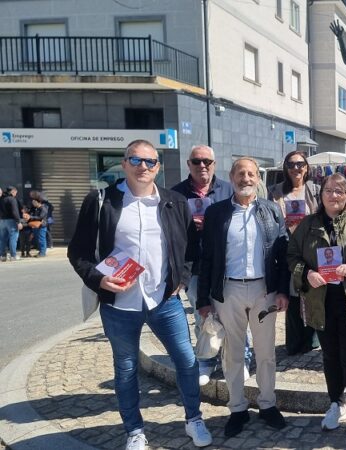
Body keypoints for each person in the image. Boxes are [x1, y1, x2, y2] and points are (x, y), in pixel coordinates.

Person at [67, 140, 212, 449]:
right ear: (124, 163)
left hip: (164, 300)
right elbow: (78, 252)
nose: (143, 166)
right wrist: (98, 280)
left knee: (187, 361)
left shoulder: (173, 201)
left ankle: (194, 419)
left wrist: (182, 279)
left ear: (158, 166)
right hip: (120, 304)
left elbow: (190, 249)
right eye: (136, 159)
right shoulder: (102, 200)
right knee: (126, 368)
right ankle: (134, 431)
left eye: (150, 161)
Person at [196, 157, 290, 437]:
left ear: (258, 178)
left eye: (251, 174)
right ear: (231, 176)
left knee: (265, 353)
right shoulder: (216, 213)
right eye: (240, 173)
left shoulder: (272, 211)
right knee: (233, 353)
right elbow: (207, 257)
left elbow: (283, 255)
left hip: (265, 291)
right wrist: (203, 299)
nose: (246, 178)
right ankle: (237, 408)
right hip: (229, 292)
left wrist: (283, 291)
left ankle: (267, 404)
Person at [286, 173, 346, 437]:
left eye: (339, 191)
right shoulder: (308, 224)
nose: (333, 196)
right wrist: (306, 273)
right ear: (321, 195)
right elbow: (292, 256)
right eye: (328, 191)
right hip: (321, 302)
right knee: (330, 357)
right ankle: (335, 404)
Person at [171, 145, 235, 386]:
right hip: (194, 267)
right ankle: (207, 361)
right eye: (196, 161)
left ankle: (238, 359)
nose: (202, 166)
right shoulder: (176, 194)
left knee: (235, 315)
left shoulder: (228, 190)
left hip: (226, 265)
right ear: (189, 164)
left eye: (207, 161)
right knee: (203, 315)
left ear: (214, 164)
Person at [268, 151, 321, 355]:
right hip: (286, 248)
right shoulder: (275, 192)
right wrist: (283, 223)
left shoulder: (315, 190)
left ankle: (312, 339)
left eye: (300, 164)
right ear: (286, 168)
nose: (296, 168)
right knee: (291, 295)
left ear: (306, 167)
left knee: (311, 293)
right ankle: (295, 341)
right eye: (291, 164)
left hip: (311, 249)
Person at [1, 186, 22, 261]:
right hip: (11, 221)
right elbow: (14, 211)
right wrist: (18, 222)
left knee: (2, 239)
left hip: (2, 221)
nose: (16, 194)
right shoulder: (12, 199)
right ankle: (13, 256)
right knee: (13, 238)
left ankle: (2, 256)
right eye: (16, 192)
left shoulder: (2, 199)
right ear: (13, 191)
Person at [27, 192, 50, 258]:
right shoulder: (35, 208)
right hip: (36, 226)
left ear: (38, 202)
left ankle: (42, 253)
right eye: (33, 202)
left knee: (41, 239)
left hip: (41, 226)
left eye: (34, 202)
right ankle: (40, 251)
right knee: (38, 239)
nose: (33, 203)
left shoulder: (43, 208)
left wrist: (31, 217)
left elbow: (41, 217)